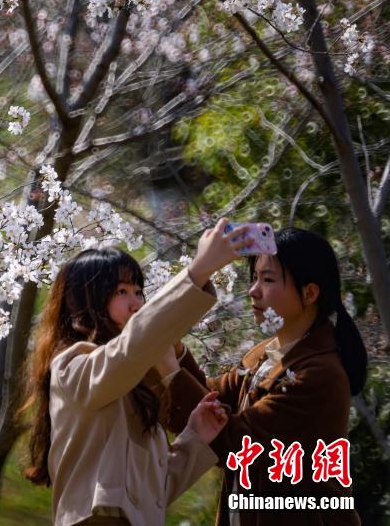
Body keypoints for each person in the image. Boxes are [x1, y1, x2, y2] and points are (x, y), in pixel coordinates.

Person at [23, 220, 252, 525]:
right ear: (84, 299)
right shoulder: (72, 367)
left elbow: (152, 492)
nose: (136, 304)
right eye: (121, 291)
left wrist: (195, 437)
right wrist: (197, 272)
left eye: (138, 291)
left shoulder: (135, 381)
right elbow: (130, 350)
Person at [158, 227, 366, 525]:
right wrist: (174, 351)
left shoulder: (318, 375)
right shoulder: (267, 352)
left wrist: (169, 372)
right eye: (254, 278)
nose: (253, 290)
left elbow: (235, 441)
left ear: (309, 293)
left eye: (267, 279)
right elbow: (210, 394)